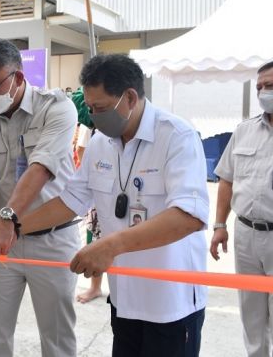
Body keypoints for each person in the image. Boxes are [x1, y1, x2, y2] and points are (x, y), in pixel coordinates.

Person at [15, 54, 209, 357]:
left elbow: (188, 217)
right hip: (125, 300)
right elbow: (72, 200)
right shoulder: (99, 143)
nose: (93, 116)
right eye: (90, 109)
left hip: (171, 305)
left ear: (129, 97)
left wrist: (111, 245)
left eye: (101, 108)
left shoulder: (176, 137)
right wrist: (13, 227)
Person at [0, 38, 81, 357]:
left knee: (57, 334)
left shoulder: (56, 108)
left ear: (18, 76)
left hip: (53, 241)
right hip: (2, 242)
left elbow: (41, 166)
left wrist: (6, 219)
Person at [210, 59, 273, 357]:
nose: (264, 92)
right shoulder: (244, 131)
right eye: (259, 87)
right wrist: (219, 226)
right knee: (250, 314)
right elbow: (226, 180)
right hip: (245, 235)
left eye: (272, 86)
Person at [72, 86, 104, 304]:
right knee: (95, 239)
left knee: (100, 242)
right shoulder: (93, 130)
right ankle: (95, 287)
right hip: (93, 193)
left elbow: (81, 152)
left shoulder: (94, 129)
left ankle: (96, 287)